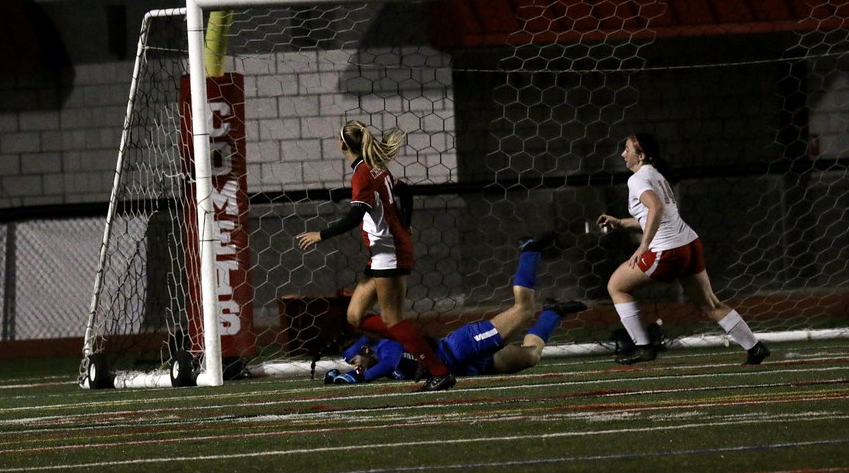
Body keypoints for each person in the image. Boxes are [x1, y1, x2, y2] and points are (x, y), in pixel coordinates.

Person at [296, 120, 456, 391]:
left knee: (393, 320)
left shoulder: (363, 173)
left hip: (389, 253)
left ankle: (438, 371)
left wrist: (320, 235)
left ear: (342, 144)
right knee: (355, 316)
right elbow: (406, 191)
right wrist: (406, 222)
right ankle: (416, 343)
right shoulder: (377, 168)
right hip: (383, 252)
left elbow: (356, 214)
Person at [597, 132, 770, 366]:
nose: (623, 153)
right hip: (689, 245)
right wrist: (620, 222)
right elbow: (654, 216)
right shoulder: (656, 175)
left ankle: (643, 347)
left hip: (667, 251)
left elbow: (656, 209)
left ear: (641, 155)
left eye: (627, 149)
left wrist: (643, 246)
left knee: (616, 286)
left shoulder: (636, 179)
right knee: (709, 304)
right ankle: (754, 347)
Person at [323, 234, 587, 384]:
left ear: (366, 349)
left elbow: (388, 362)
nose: (355, 365)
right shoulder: (377, 358)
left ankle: (529, 252)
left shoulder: (385, 348)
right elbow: (376, 367)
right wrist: (344, 374)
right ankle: (553, 312)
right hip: (471, 367)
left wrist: (359, 378)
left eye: (355, 361)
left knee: (524, 310)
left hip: (463, 347)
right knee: (532, 356)